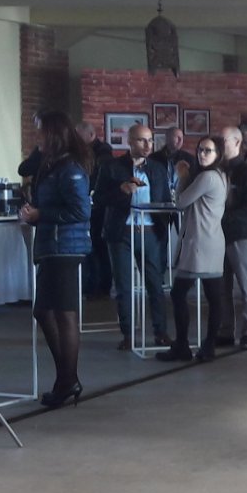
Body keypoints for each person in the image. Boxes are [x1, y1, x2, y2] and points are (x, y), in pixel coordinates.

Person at [18, 111, 91, 407]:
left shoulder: (70, 168)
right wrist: (33, 211)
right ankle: (66, 378)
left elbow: (81, 210)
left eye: (41, 132)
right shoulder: (51, 164)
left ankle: (67, 379)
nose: (37, 137)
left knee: (64, 313)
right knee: (45, 311)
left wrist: (41, 214)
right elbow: (28, 172)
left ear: (54, 134)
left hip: (66, 248)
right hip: (52, 245)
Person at [99, 123, 174, 351]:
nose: (148, 145)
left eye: (150, 140)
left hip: (150, 231)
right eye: (142, 140)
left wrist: (165, 226)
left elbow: (165, 200)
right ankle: (128, 334)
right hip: (122, 231)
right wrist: (120, 190)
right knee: (124, 285)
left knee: (155, 284)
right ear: (130, 142)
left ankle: (161, 332)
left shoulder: (158, 168)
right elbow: (99, 198)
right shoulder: (112, 167)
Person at [160, 135, 227, 362]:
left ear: (218, 154)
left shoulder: (207, 177)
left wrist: (182, 177)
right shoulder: (219, 175)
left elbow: (181, 202)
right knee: (212, 295)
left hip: (200, 242)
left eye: (208, 150)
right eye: (200, 150)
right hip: (210, 241)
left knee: (180, 293)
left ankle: (185, 345)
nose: (202, 154)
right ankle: (205, 345)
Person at [219, 124, 247, 350]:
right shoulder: (215, 171)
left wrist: (221, 216)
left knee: (246, 286)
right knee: (221, 287)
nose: (219, 145)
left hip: (241, 235)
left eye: (223, 141)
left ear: (237, 142)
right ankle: (225, 330)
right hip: (217, 236)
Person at [80, 119, 114, 299]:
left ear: (91, 135)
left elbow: (96, 179)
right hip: (92, 204)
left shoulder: (102, 155)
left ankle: (100, 285)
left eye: (79, 136)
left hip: (99, 207)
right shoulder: (87, 153)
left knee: (98, 247)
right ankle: (94, 284)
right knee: (94, 247)